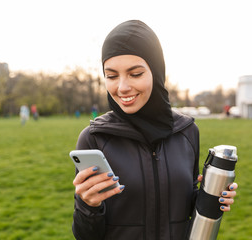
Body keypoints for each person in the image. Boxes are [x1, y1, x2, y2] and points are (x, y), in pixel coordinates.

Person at [72, 20, 238, 240]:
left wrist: (211, 198)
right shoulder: (95, 139)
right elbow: (85, 236)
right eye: (112, 76)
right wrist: (87, 206)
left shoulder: (187, 132)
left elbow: (182, 208)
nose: (122, 87)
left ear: (157, 72)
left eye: (135, 73)